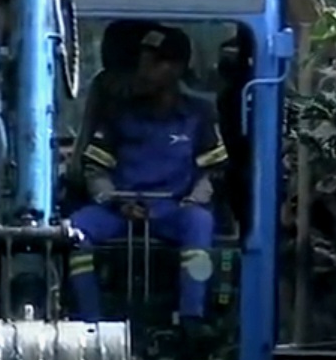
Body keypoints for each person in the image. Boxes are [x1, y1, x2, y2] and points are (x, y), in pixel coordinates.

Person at [67, 25, 229, 337]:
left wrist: (194, 200)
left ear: (177, 69)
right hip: (120, 208)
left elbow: (213, 170)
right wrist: (115, 200)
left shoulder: (199, 114)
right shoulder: (118, 112)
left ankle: (191, 319)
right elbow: (95, 169)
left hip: (172, 208)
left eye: (155, 63)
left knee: (199, 223)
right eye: (142, 62)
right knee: (76, 229)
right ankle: (91, 324)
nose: (145, 71)